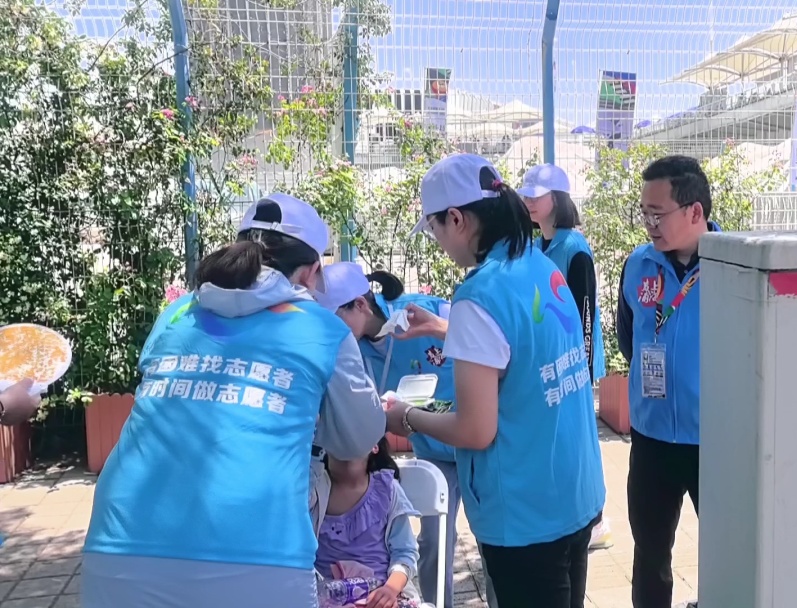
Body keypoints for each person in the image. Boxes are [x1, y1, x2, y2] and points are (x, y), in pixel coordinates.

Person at [82, 193, 387, 608]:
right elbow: (358, 438)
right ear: (311, 272)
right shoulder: (322, 327)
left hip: (119, 541)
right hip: (258, 552)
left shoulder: (177, 313)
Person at [384, 153, 605, 608]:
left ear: (457, 219)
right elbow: (522, 346)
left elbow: (475, 429)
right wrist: (441, 327)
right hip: (574, 491)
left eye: (435, 229)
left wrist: (406, 417)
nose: (439, 243)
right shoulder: (539, 263)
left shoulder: (479, 294)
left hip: (524, 514)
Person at [313, 262, 499, 607]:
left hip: (480, 443)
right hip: (433, 449)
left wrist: (441, 328)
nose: (330, 331)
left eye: (334, 319)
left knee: (493, 540)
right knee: (434, 543)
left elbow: (486, 344)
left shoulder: (424, 311)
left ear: (360, 305)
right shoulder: (349, 354)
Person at [615, 155, 720, 608]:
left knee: (728, 548)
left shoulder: (734, 267)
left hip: (714, 439)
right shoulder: (637, 265)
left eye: (658, 214)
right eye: (644, 213)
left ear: (695, 211)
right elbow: (628, 339)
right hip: (652, 437)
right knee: (651, 552)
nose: (649, 224)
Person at [518, 163, 613, 551]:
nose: (528, 202)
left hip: (574, 364)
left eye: (536, 196)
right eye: (525, 195)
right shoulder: (538, 245)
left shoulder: (574, 248)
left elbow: (585, 312)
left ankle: (597, 520)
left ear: (556, 199)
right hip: (551, 362)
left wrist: (582, 369)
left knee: (579, 439)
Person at [310, 437, 423, 608]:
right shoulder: (312, 492)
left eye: (355, 433)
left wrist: (390, 589)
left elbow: (405, 552)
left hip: (383, 596)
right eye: (337, 435)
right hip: (327, 598)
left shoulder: (387, 491)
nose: (346, 439)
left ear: (374, 445)